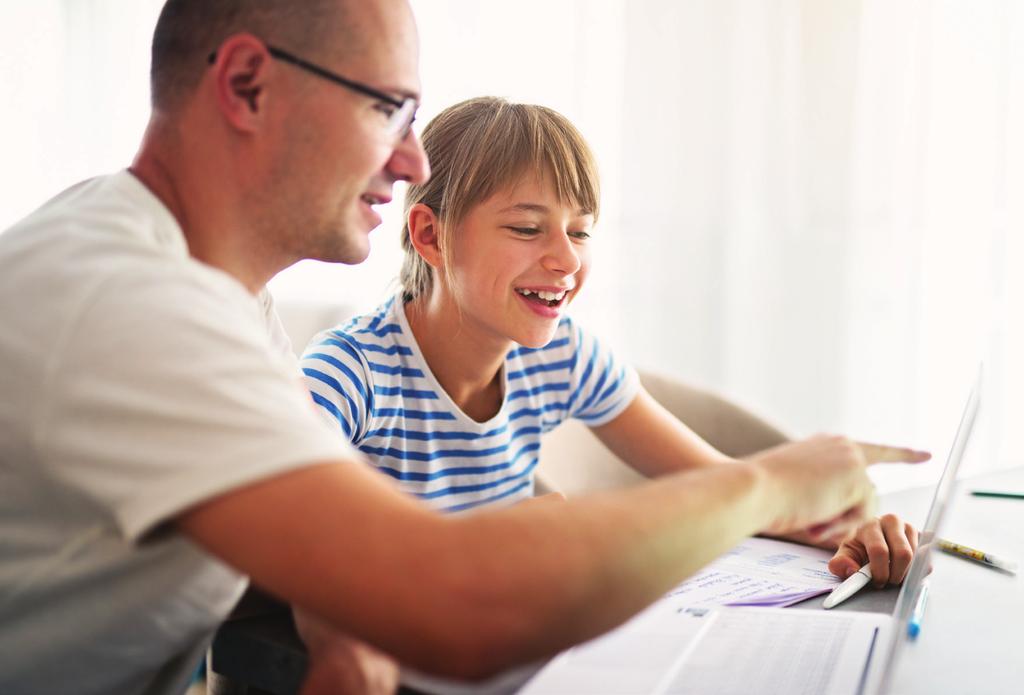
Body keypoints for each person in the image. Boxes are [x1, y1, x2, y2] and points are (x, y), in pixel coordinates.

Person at [0, 1, 921, 694]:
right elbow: (453, 605)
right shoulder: (133, 306)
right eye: (387, 110)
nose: (411, 163)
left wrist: (348, 626)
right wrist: (770, 480)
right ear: (247, 86)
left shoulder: (212, 295)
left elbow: (329, 543)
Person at [300, 95, 924, 587]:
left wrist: (859, 529)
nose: (566, 260)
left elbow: (726, 488)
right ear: (431, 236)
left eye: (581, 231)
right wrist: (490, 544)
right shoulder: (348, 374)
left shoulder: (564, 357)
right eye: (526, 227)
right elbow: (286, 540)